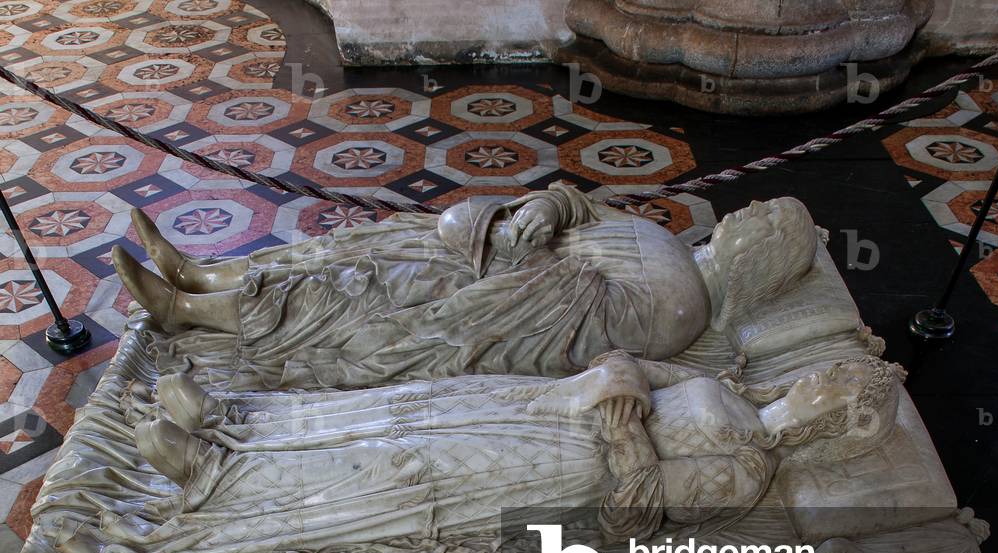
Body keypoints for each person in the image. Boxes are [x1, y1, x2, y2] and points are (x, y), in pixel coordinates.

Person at [72, 354, 904, 553]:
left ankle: (217, 478)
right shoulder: (727, 384)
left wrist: (622, 430)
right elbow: (633, 362)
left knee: (399, 461)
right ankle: (234, 419)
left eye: (838, 386)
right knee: (407, 404)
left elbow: (637, 516)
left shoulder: (747, 467)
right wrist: (621, 379)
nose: (821, 377)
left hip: (553, 460)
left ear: (836, 422)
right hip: (544, 400)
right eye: (833, 369)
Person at [113, 184, 821, 390]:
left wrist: (520, 249)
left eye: (766, 219)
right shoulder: (676, 248)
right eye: (762, 206)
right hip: (494, 251)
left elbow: (561, 327)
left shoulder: (680, 308)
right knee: (359, 243)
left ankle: (185, 308)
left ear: (760, 258)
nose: (750, 210)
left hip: (483, 299)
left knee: (355, 290)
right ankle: (201, 273)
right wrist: (544, 210)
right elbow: (577, 204)